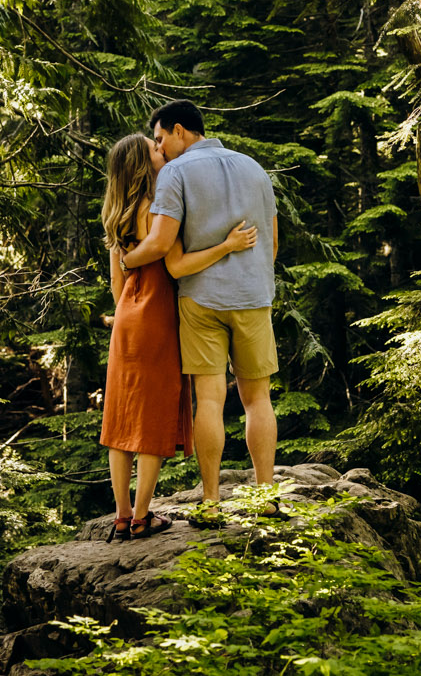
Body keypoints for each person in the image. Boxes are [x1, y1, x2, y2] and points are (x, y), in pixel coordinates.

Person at [98, 132, 256, 541]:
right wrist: (228, 245)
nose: (161, 150)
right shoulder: (159, 208)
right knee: (152, 421)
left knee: (119, 421)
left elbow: (118, 287)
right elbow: (176, 265)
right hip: (160, 320)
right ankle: (143, 516)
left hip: (127, 320)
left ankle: (121, 515)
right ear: (141, 162)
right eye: (153, 149)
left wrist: (127, 307)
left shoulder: (114, 216)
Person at [123, 100, 280, 511]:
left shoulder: (176, 172)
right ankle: (266, 498)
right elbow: (273, 242)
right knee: (258, 400)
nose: (160, 148)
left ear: (180, 130)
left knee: (209, 400)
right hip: (253, 297)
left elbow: (160, 242)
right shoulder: (254, 168)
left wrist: (125, 259)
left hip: (200, 298)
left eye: (160, 139)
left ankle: (211, 501)